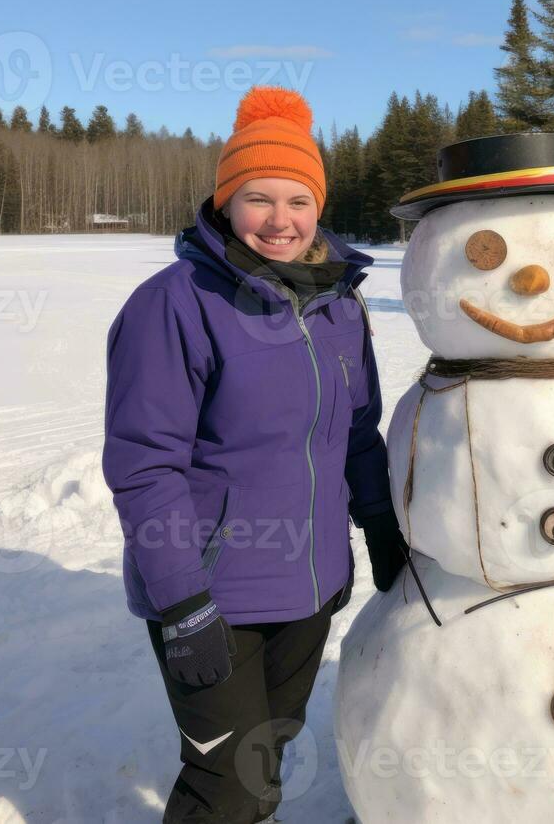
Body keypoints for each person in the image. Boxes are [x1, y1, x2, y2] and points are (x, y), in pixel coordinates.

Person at [102, 86, 407, 824]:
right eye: (258, 198)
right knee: (224, 785)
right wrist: (181, 605)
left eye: (298, 200)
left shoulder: (338, 302)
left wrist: (379, 524)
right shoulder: (175, 304)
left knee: (266, 753)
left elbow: (356, 432)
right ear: (225, 203)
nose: (281, 220)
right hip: (213, 595)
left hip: (309, 584)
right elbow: (145, 464)